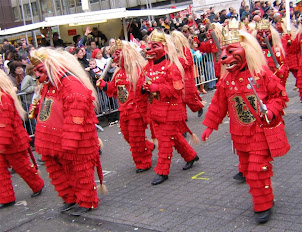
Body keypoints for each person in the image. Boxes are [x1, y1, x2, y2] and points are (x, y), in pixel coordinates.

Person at [201, 20, 290, 223]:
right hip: (239, 135)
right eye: (224, 52)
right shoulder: (226, 80)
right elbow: (218, 105)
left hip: (260, 132)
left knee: (257, 169)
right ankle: (266, 196)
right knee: (250, 172)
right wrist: (208, 127)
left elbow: (280, 96)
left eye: (232, 51)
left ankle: (263, 205)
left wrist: (272, 111)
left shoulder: (261, 73)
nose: (224, 57)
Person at [30, 47, 104, 216]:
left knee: (80, 170)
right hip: (53, 141)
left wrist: (69, 141)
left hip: (75, 141)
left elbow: (76, 114)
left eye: (40, 70)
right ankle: (70, 198)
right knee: (59, 173)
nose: (37, 75)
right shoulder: (47, 85)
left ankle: (86, 200)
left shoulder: (70, 83)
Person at [143, 30, 199, 185]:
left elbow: (176, 90)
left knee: (165, 141)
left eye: (155, 45)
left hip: (171, 110)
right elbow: (147, 83)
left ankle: (162, 171)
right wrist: (145, 88)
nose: (149, 49)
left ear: (164, 47)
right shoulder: (149, 67)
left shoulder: (171, 66)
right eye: (149, 45)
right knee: (174, 136)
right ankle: (191, 156)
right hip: (156, 109)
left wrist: (155, 87)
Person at [98, 40, 154, 173]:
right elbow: (114, 89)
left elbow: (146, 87)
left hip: (136, 110)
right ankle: (148, 146)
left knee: (135, 138)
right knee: (127, 135)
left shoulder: (139, 70)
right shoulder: (118, 72)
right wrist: (104, 85)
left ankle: (143, 161)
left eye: (118, 54)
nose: (115, 57)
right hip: (124, 110)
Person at [0, 69, 44, 209]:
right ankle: (6, 197)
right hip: (6, 140)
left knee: (22, 167)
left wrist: (2, 144)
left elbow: (4, 124)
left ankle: (37, 185)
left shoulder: (4, 99)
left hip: (12, 141)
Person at [171, 31, 205, 117]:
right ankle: (183, 116)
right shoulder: (173, 52)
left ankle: (198, 107)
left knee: (189, 97)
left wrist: (178, 61)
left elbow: (189, 62)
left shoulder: (186, 50)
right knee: (179, 98)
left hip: (187, 77)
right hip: (177, 77)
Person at [253, 19, 289, 86]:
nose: (264, 37)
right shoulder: (254, 51)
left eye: (267, 34)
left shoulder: (277, 49)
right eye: (260, 34)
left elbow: (283, 64)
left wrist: (281, 71)